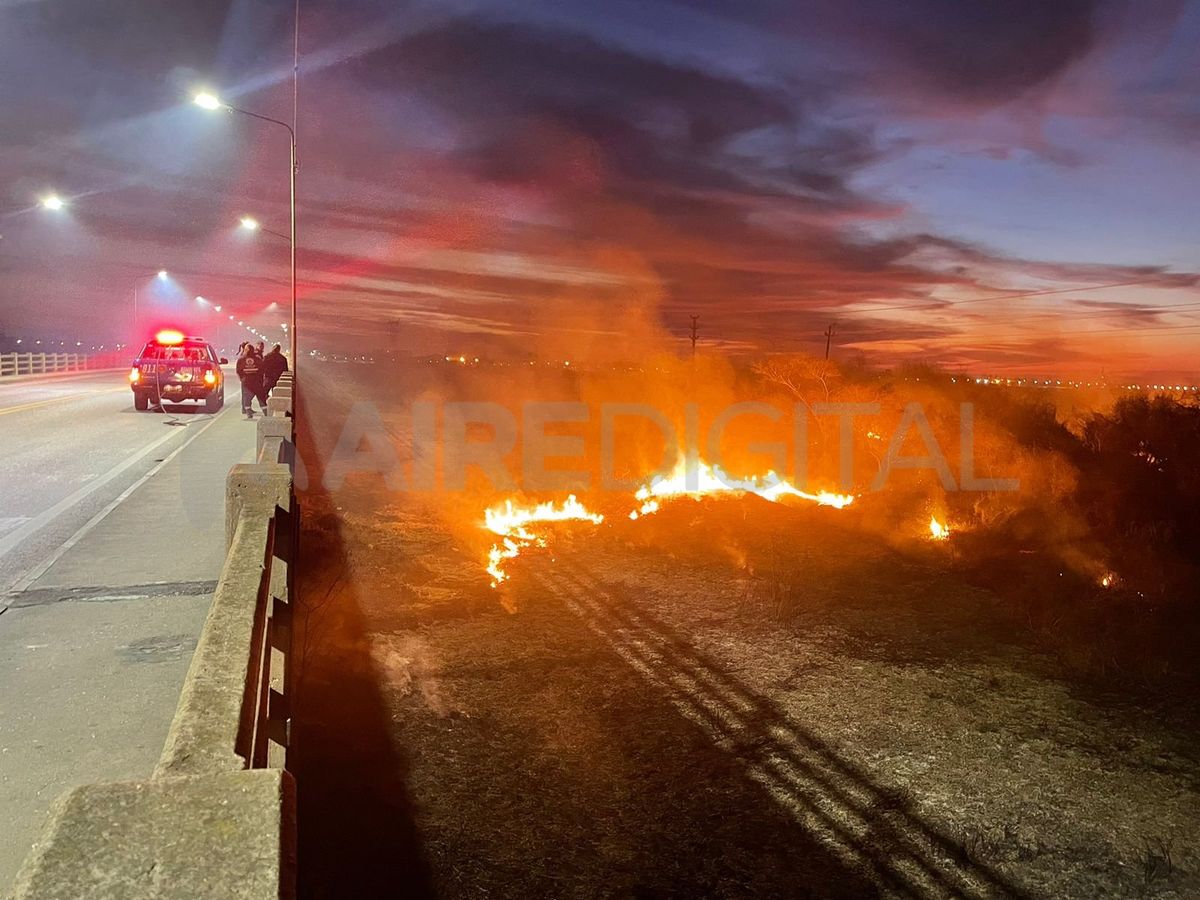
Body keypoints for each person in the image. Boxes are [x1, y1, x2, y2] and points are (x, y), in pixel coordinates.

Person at [236, 343, 267, 418]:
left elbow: (239, 371)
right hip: (257, 382)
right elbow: (262, 370)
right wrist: (261, 379)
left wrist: (242, 379)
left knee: (247, 397)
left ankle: (248, 412)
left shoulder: (241, 360)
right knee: (261, 397)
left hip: (246, 382)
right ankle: (266, 411)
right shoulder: (257, 359)